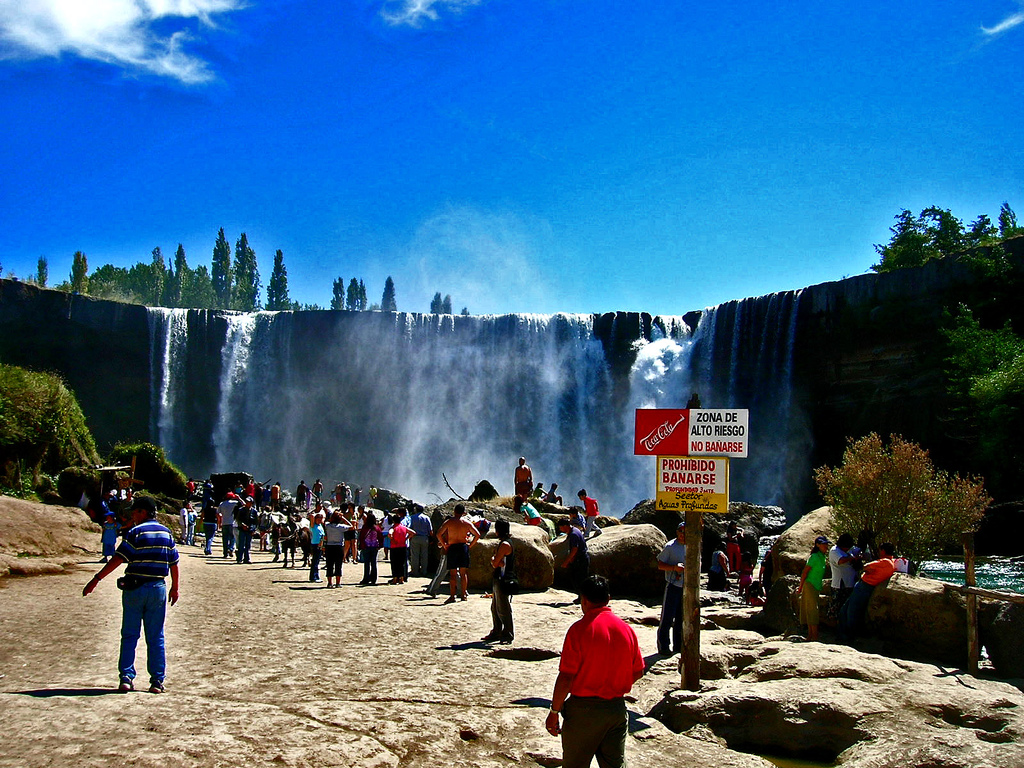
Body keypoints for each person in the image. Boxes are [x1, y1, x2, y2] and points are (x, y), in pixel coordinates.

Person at [82, 495, 179, 694]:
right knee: (156, 637)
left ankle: (126, 677)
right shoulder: (166, 533)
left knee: (129, 635)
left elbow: (118, 558)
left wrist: (96, 579)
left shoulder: (135, 532)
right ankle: (157, 681)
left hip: (134, 589)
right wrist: (175, 588)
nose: (133, 515)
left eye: (135, 511)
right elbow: (174, 563)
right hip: (158, 589)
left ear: (144, 512)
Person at [545, 575, 645, 768]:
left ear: (584, 600)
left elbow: (566, 676)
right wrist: (615, 682)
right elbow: (638, 671)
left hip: (583, 712)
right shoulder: (626, 629)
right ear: (608, 598)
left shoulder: (578, 630)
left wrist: (554, 711)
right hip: (616, 709)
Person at [838, 542, 897, 642]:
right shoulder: (892, 563)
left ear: (883, 551)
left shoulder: (884, 562)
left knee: (851, 611)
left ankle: (849, 636)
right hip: (867, 587)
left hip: (864, 586)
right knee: (845, 610)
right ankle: (844, 634)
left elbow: (866, 566)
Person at [436, 503, 482, 604]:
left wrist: (444, 545)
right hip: (463, 547)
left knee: (453, 574)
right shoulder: (466, 523)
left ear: (454, 511)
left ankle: (452, 596)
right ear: (463, 513)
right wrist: (470, 545)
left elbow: (439, 534)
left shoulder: (449, 522)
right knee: (463, 573)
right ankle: (464, 594)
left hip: (452, 547)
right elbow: (477, 535)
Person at [656, 521, 686, 656]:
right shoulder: (670, 547)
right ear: (677, 532)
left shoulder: (692, 545)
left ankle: (678, 646)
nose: (682, 534)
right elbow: (660, 565)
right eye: (680, 531)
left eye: (685, 532)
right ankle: (664, 646)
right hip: (673, 585)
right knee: (667, 617)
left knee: (681, 618)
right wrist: (674, 568)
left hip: (686, 587)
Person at [483, 519, 515, 644]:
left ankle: (507, 633)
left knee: (503, 608)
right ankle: (497, 631)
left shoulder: (505, 544)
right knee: (495, 607)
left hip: (503, 579)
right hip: (500, 577)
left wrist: (493, 559)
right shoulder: (507, 542)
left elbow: (495, 562)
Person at [796, 535, 830, 641]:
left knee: (812, 609)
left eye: (826, 544)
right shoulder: (814, 557)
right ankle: (813, 635)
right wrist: (800, 587)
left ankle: (812, 635)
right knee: (812, 609)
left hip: (816, 585)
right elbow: (805, 572)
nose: (826, 546)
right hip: (810, 584)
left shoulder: (823, 557)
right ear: (818, 545)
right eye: (823, 544)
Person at [826, 533, 859, 624]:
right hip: (839, 585)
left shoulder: (849, 550)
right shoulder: (834, 551)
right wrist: (851, 558)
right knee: (835, 609)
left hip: (849, 584)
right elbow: (840, 561)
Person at [557, 516, 589, 603]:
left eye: (560, 527)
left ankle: (582, 598)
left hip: (580, 559)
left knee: (578, 579)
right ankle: (582, 597)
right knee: (580, 579)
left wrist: (566, 562)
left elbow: (575, 549)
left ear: (564, 526)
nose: (560, 529)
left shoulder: (573, 534)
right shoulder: (575, 530)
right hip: (581, 558)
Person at [323, 510, 353, 588]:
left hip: (329, 546)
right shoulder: (341, 527)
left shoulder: (327, 526)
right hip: (339, 547)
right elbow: (351, 526)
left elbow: (324, 522)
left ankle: (330, 583)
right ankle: (338, 583)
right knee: (338, 565)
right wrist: (344, 519)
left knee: (329, 565)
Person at [408, 504, 433, 577]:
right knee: (424, 555)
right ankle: (424, 571)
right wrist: (431, 538)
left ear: (416, 510)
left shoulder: (412, 517)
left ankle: (415, 571)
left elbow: (410, 528)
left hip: (415, 537)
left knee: (415, 555)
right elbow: (431, 531)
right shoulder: (427, 518)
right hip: (425, 538)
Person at [358, 512, 383, 585]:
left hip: (366, 546)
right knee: (374, 563)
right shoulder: (376, 528)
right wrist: (380, 546)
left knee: (367, 564)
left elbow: (361, 537)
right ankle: (373, 579)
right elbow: (380, 537)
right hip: (374, 547)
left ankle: (366, 578)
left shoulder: (365, 527)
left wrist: (361, 545)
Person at [388, 512, 410, 584]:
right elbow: (413, 532)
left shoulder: (393, 528)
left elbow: (390, 534)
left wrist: (392, 540)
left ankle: (395, 578)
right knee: (401, 563)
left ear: (393, 521)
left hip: (394, 547)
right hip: (403, 546)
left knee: (394, 563)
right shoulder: (404, 527)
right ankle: (401, 579)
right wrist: (406, 538)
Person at [234, 496, 257, 564]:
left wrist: (253, 529)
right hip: (242, 529)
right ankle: (239, 559)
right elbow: (238, 519)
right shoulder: (241, 510)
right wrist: (242, 525)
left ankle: (246, 559)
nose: (248, 503)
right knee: (241, 544)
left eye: (249, 502)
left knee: (248, 545)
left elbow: (255, 522)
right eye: (247, 502)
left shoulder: (254, 511)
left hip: (250, 530)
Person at [217, 493, 239, 559]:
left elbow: (218, 513)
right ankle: (231, 548)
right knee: (232, 537)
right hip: (232, 522)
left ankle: (225, 553)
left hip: (224, 522)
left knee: (225, 539)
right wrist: (238, 498)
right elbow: (243, 504)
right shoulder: (234, 503)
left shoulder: (222, 503)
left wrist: (219, 523)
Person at [308, 512, 325, 583]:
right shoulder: (313, 525)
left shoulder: (320, 525)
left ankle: (316, 576)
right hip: (315, 544)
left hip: (320, 544)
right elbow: (311, 516)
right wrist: (315, 515)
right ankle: (313, 577)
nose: (320, 520)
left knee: (317, 561)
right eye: (318, 519)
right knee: (315, 561)